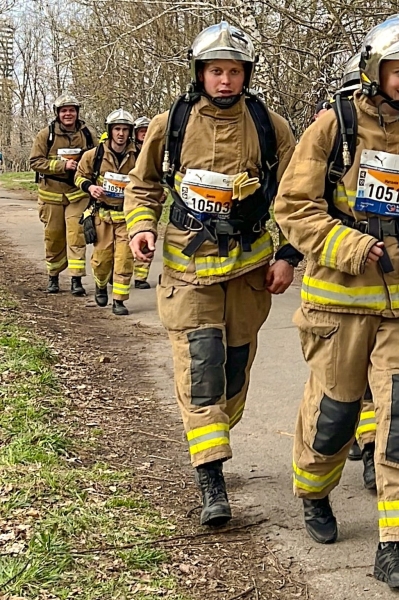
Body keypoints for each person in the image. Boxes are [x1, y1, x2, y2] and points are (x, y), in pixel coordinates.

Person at [275, 14, 399, 589]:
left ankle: (397, 546)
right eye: (398, 71)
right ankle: (312, 490)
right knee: (334, 417)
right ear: (373, 69)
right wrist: (352, 245)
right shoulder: (335, 125)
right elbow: (293, 207)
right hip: (338, 302)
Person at [124, 21, 301, 527]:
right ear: (200, 73)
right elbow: (142, 187)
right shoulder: (170, 123)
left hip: (249, 269)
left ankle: (219, 433)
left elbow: (297, 194)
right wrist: (141, 227)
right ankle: (211, 479)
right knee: (202, 366)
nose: (225, 80)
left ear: (247, 74)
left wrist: (288, 255)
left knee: (233, 369)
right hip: (188, 268)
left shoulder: (271, 125)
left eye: (234, 71)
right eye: (215, 71)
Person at [29, 94, 96, 295]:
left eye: (72, 110)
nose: (68, 114)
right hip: (51, 195)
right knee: (54, 237)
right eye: (64, 110)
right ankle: (54, 277)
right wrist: (61, 165)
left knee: (77, 235)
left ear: (77, 112)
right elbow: (35, 162)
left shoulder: (87, 134)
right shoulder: (45, 135)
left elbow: (97, 159)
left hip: (77, 194)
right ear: (58, 114)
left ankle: (76, 279)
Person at [75, 109, 138, 315]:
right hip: (102, 216)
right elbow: (79, 176)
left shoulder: (138, 156)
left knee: (124, 259)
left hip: (127, 217)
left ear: (130, 132)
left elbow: (149, 179)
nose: (121, 134)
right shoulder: (94, 155)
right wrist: (90, 188)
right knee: (102, 260)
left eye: (125, 130)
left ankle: (119, 300)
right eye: (117, 129)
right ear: (110, 131)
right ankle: (101, 285)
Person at [132, 116, 153, 289]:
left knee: (146, 235)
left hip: (147, 200)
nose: (145, 135)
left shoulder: (157, 150)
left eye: (148, 132)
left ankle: (141, 276)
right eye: (141, 132)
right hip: (127, 200)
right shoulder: (129, 151)